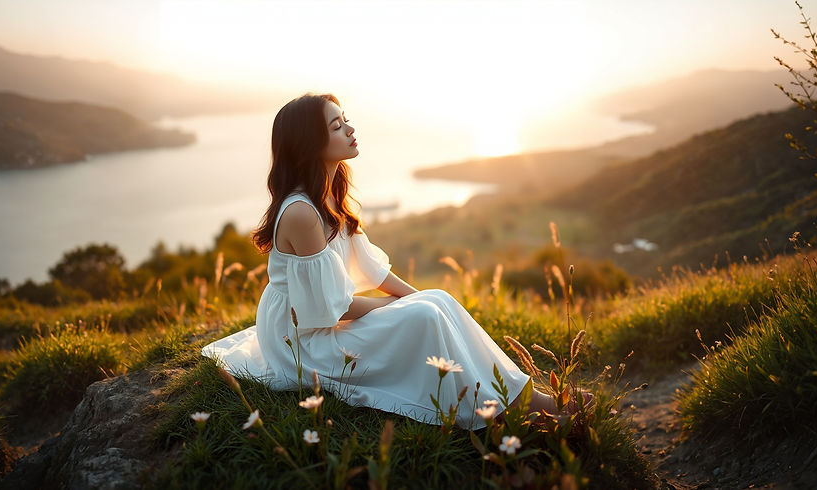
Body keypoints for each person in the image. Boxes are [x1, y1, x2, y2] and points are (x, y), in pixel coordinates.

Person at [202, 93, 589, 430]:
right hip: (301, 339)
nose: (349, 129)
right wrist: (400, 305)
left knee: (439, 302)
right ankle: (511, 408)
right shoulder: (302, 213)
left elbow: (373, 269)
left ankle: (528, 400)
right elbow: (328, 309)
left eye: (345, 120)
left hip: (322, 319)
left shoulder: (330, 194)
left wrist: (422, 297)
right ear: (310, 143)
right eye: (336, 126)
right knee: (423, 315)